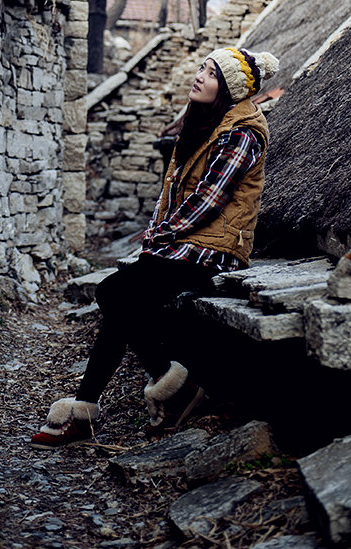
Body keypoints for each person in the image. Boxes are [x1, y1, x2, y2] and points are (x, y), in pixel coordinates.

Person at [31, 46, 279, 449]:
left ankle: (170, 382)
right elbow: (171, 196)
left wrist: (160, 235)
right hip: (186, 244)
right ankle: (87, 407)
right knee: (121, 302)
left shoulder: (242, 132)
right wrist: (158, 236)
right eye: (201, 67)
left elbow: (209, 200)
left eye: (211, 73)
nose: (199, 75)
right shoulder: (202, 123)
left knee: (112, 292)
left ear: (229, 88)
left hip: (215, 251)